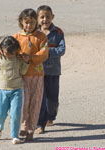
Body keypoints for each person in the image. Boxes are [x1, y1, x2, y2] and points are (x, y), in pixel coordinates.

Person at [0, 36, 30, 144]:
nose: (9, 55)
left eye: (12, 53)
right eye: (7, 53)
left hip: (17, 90)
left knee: (16, 114)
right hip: (2, 90)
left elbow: (22, 72)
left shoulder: (19, 58)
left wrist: (26, 62)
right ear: (2, 49)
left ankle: (15, 135)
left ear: (17, 50)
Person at [13, 8, 49, 141]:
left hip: (37, 75)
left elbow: (44, 53)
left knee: (35, 103)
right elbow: (7, 48)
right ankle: (22, 126)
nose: (29, 25)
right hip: (22, 76)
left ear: (36, 22)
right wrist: (0, 51)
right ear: (21, 22)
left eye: (32, 22)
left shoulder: (41, 37)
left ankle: (31, 129)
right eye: (26, 22)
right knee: (23, 102)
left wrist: (31, 57)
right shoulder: (17, 37)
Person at [35, 5, 66, 134]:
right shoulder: (34, 32)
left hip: (53, 71)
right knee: (40, 99)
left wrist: (46, 52)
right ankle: (39, 125)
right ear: (37, 19)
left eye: (48, 16)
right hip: (37, 71)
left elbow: (61, 50)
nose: (45, 19)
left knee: (52, 99)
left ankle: (51, 116)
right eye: (42, 17)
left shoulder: (58, 32)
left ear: (52, 17)